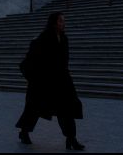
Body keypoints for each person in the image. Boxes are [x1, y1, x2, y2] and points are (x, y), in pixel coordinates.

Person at [16, 12, 85, 150]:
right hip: (44, 82)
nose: (63, 23)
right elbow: (35, 58)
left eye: (63, 21)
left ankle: (71, 138)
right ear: (54, 23)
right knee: (34, 109)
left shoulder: (64, 38)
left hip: (62, 81)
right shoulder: (43, 38)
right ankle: (24, 132)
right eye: (60, 21)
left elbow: (65, 61)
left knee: (67, 109)